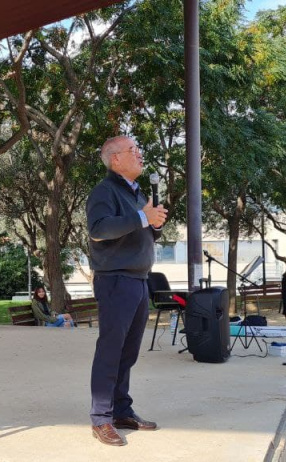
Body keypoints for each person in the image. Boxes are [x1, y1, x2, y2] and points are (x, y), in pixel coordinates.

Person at [85, 136, 167, 446]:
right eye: (133, 150)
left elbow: (140, 229)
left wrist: (153, 223)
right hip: (115, 279)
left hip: (138, 279)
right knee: (111, 350)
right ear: (115, 159)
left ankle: (121, 410)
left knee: (128, 352)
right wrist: (142, 217)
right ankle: (101, 418)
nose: (140, 154)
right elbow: (99, 229)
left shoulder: (137, 193)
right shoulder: (104, 192)